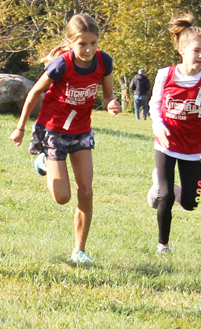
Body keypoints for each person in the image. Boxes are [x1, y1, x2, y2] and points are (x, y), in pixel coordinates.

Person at [9, 13, 120, 265]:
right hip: (54, 131)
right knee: (62, 198)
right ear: (70, 43)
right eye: (82, 44)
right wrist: (20, 128)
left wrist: (112, 104)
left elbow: (108, 95)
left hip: (81, 131)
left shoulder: (104, 61)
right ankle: (44, 162)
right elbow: (35, 92)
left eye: (93, 43)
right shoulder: (62, 65)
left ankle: (79, 251)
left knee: (87, 191)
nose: (89, 49)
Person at [146, 14, 201, 254]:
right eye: (197, 51)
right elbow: (154, 105)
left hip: (196, 148)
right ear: (182, 50)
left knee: (189, 203)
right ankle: (163, 245)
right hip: (167, 142)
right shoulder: (165, 74)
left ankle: (165, 188)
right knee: (165, 197)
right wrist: (159, 127)